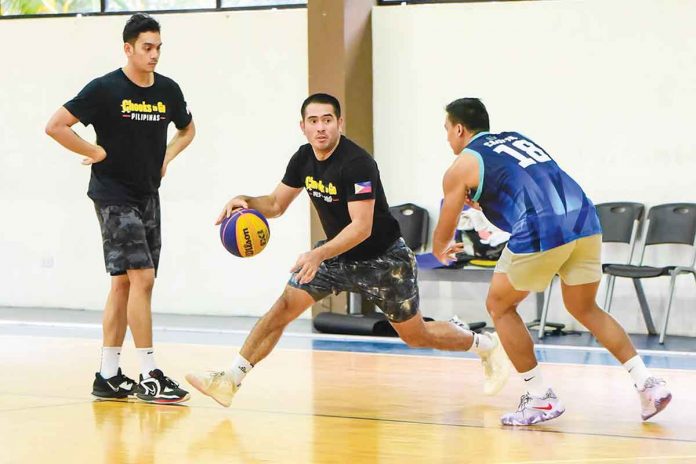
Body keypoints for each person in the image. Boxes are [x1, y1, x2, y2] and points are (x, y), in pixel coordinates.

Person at [185, 93, 509, 407]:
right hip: (337, 257)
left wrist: (318, 254)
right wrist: (245, 202)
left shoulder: (357, 163)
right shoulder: (303, 158)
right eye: (313, 121)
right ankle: (231, 380)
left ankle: (484, 344)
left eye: (327, 120)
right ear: (303, 126)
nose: (321, 127)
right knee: (283, 308)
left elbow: (361, 226)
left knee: (417, 335)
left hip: (385, 261)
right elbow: (275, 204)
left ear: (340, 122)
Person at [432, 97, 672, 426]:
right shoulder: (517, 139)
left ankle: (540, 397)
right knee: (586, 308)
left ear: (459, 129)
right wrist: (486, 206)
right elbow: (531, 189)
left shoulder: (460, 166)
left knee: (500, 307)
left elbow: (444, 234)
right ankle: (648, 383)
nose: (447, 138)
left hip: (541, 228)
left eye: (446, 130)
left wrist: (440, 248)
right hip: (584, 219)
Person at [45, 13, 195, 404]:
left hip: (148, 193)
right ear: (128, 48)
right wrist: (94, 150)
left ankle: (108, 375)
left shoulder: (168, 90)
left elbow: (188, 129)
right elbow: (56, 125)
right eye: (147, 47)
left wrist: (168, 155)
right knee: (142, 278)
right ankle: (149, 374)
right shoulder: (105, 89)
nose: (154, 54)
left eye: (159, 47)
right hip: (113, 195)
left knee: (124, 283)